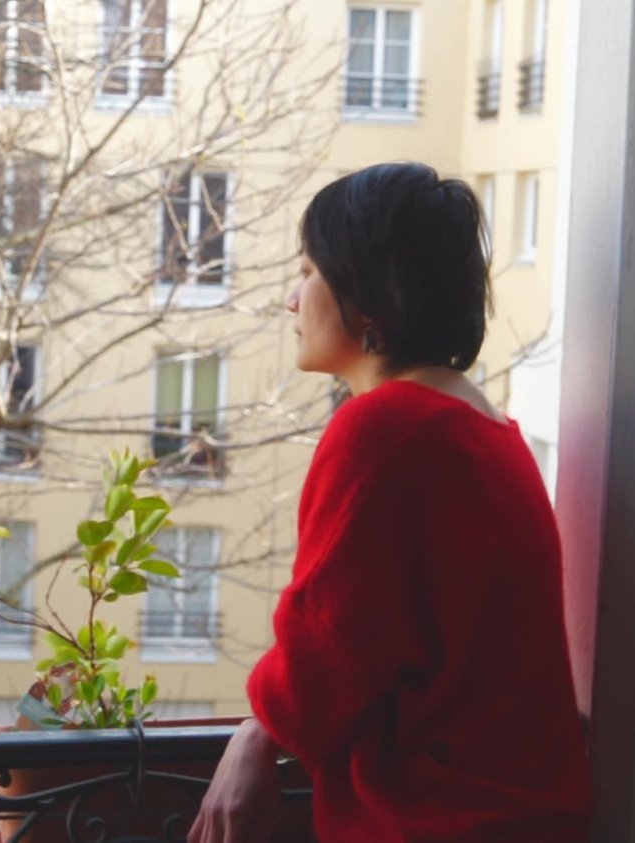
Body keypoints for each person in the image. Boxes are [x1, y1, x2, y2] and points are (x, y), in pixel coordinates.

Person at [189, 163, 591, 842]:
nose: (292, 299)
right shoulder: (487, 427)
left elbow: (328, 649)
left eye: (308, 271)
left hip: (437, 821)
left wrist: (258, 729)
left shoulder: (386, 429)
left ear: (371, 294)